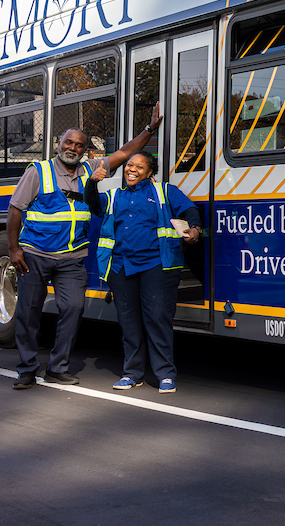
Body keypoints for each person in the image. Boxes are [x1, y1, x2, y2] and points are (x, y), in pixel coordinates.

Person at [8, 105, 164, 390]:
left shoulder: (92, 169)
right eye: (68, 142)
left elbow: (125, 153)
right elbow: (15, 209)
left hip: (72, 258)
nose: (73, 147)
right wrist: (14, 249)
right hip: (36, 254)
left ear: (84, 151)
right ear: (58, 144)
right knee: (28, 312)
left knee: (74, 308)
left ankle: (57, 367)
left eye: (79, 145)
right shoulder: (38, 171)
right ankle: (27, 369)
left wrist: (150, 129)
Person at [86, 150, 202, 393]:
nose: (131, 169)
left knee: (158, 319)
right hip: (121, 267)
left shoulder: (165, 192)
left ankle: (165, 374)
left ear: (150, 173)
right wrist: (92, 182)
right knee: (129, 323)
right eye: (129, 165)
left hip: (157, 266)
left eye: (138, 167)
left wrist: (195, 229)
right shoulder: (114, 196)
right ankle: (132, 373)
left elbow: (189, 210)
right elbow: (94, 206)